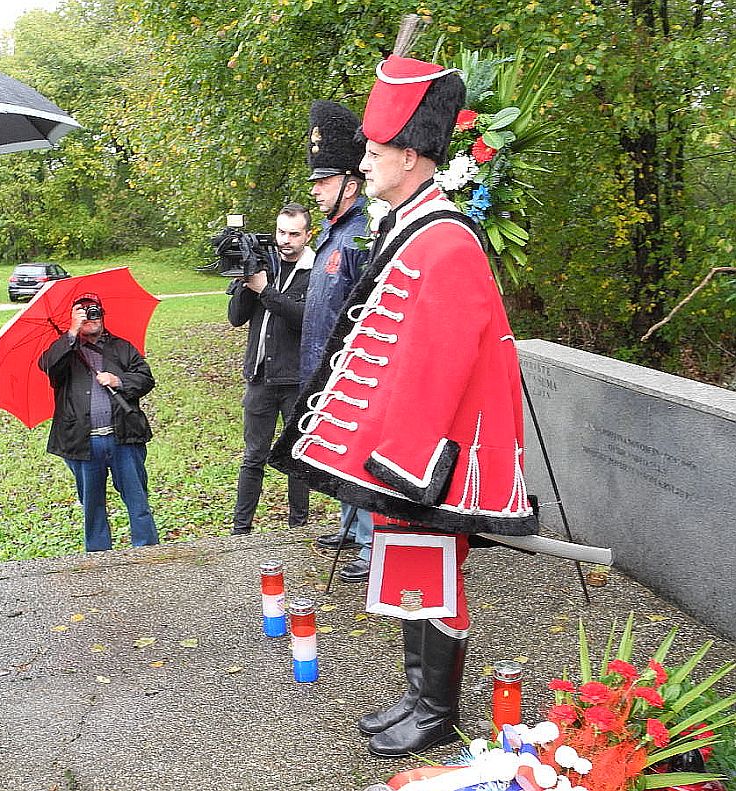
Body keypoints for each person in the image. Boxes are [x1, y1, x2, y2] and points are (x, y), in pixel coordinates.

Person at [272, 51, 538, 759]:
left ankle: (438, 710)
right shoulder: (410, 223)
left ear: (411, 157)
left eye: (375, 150)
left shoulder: (445, 238)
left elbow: (438, 366)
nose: (363, 161)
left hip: (430, 453)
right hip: (404, 446)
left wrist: (403, 463)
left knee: (437, 574)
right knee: (413, 568)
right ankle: (420, 696)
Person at [301, 100, 375, 583]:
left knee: (355, 448)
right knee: (338, 450)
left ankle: (371, 544)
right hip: (323, 367)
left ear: (351, 183)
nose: (315, 190)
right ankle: (351, 526)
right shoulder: (336, 232)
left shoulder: (362, 234)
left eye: (324, 181)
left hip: (349, 370)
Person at [37, 294, 159, 552]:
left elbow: (146, 378)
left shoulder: (122, 347)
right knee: (92, 506)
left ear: (103, 315)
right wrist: (71, 333)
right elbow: (48, 366)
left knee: (137, 500)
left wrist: (119, 381)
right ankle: (98, 557)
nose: (90, 318)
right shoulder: (64, 352)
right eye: (82, 313)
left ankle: (148, 551)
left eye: (94, 312)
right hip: (83, 442)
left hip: (124, 437)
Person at [227, 203, 315, 535]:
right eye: (281, 232)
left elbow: (304, 319)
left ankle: (298, 527)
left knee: (296, 456)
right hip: (259, 377)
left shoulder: (315, 270)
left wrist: (265, 290)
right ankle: (240, 530)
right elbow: (236, 317)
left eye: (294, 234)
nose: (285, 240)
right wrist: (246, 281)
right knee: (253, 456)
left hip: (295, 380)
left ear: (307, 235)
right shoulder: (264, 265)